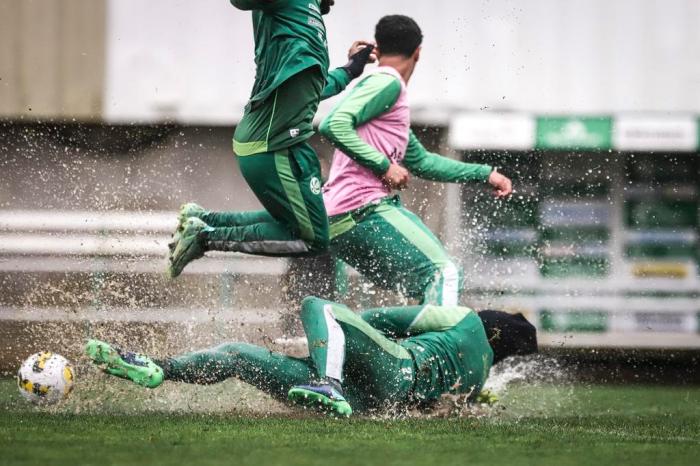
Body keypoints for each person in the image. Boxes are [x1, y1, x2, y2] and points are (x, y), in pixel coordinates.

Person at [167, 0, 375, 278]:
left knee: (301, 225)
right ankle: (205, 237)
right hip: (273, 148)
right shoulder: (291, 7)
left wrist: (350, 69)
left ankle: (204, 221)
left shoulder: (307, 16)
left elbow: (310, 88)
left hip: (281, 145)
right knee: (313, 239)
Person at [318, 15, 513, 306]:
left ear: (378, 48)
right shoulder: (389, 83)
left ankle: (390, 345)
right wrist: (385, 166)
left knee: (421, 286)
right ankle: (434, 351)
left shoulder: (384, 99)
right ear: (418, 52)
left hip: (336, 220)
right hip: (362, 211)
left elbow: (421, 162)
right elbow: (332, 124)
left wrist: (484, 174)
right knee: (444, 274)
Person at [85, 297, 537, 416]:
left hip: (393, 367)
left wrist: (327, 347)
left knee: (317, 307)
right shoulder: (478, 378)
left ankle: (327, 381)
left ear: (494, 321)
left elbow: (373, 317)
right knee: (240, 356)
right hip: (373, 405)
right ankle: (154, 367)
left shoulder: (465, 318)